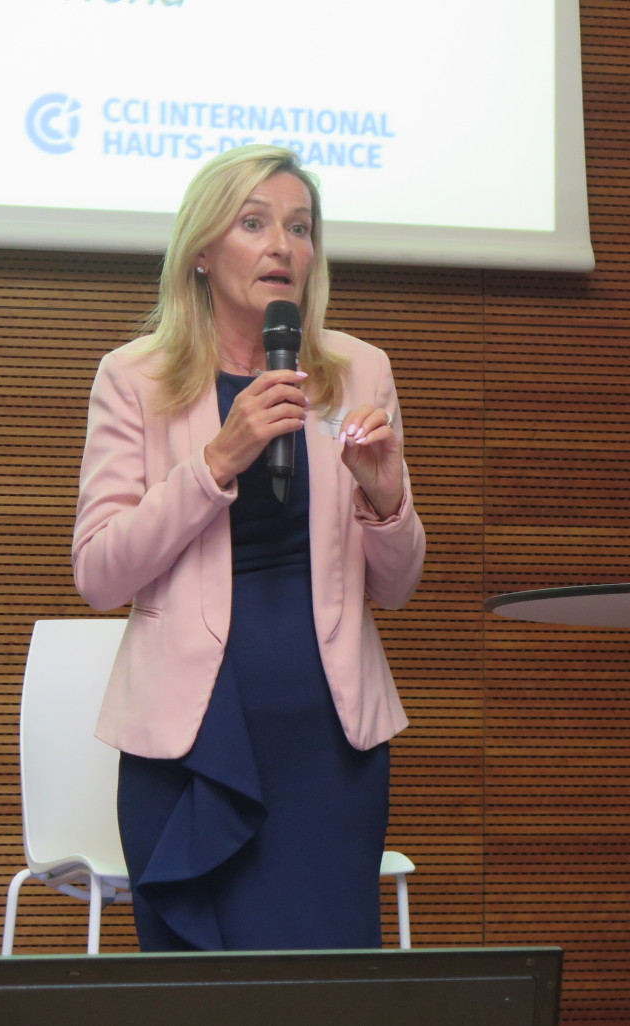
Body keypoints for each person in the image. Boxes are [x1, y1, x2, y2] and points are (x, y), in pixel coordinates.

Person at [72, 144, 425, 952]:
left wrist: (384, 494)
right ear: (203, 249)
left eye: (300, 228)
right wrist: (216, 462)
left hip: (328, 745)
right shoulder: (137, 378)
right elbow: (99, 571)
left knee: (323, 993)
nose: (282, 247)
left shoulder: (358, 372)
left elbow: (399, 585)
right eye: (255, 223)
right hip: (192, 744)